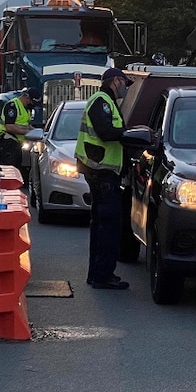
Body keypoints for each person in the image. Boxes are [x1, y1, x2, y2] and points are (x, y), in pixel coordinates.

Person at [75, 67, 133, 290]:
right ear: (116, 81)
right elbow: (106, 133)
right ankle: (102, 275)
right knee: (108, 225)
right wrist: (128, 133)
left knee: (101, 225)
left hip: (100, 171)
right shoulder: (102, 102)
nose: (125, 89)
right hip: (101, 172)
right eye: (124, 84)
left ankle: (98, 274)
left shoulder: (105, 102)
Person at [0, 87, 41, 171]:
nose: (32, 105)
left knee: (21, 169)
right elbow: (9, 127)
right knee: (10, 170)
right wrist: (27, 133)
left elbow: (27, 124)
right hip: (8, 142)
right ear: (27, 97)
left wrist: (38, 132)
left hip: (20, 143)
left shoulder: (27, 108)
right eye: (32, 102)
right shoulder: (12, 106)